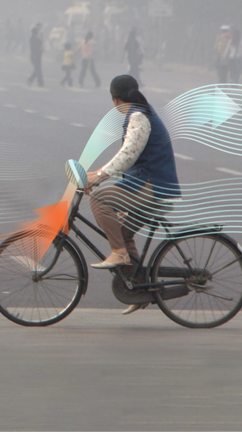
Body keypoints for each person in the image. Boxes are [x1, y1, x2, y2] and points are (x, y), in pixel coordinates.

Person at [84, 75, 182, 311]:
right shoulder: (139, 112)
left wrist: (99, 176)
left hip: (154, 187)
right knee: (124, 234)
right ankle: (140, 291)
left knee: (98, 198)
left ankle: (118, 253)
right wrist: (99, 173)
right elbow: (130, 160)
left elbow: (129, 155)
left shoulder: (138, 116)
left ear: (115, 99)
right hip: (148, 184)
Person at [27, 23, 44, 87]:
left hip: (36, 56)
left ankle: (39, 83)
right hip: (36, 57)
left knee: (38, 70)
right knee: (38, 70)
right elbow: (37, 47)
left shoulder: (34, 39)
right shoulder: (34, 39)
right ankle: (38, 82)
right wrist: (40, 48)